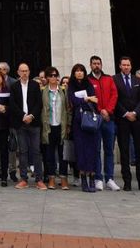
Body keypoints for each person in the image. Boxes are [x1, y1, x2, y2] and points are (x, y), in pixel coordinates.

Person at [106, 57, 140, 192]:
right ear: (120, 66)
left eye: (128, 65)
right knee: (124, 151)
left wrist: (135, 112)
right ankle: (127, 181)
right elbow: (114, 98)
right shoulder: (114, 79)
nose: (126, 67)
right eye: (124, 65)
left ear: (131, 66)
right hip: (122, 120)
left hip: (137, 119)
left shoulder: (137, 80)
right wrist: (126, 113)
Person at [9, 62, 46, 190]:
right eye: (22, 71)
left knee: (36, 151)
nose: (24, 73)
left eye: (26, 71)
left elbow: (39, 104)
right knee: (23, 152)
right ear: (18, 73)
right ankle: (23, 179)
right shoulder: (14, 87)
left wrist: (31, 116)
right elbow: (12, 104)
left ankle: (39, 179)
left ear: (29, 72)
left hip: (34, 123)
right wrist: (23, 116)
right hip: (20, 123)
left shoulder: (35, 85)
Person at [67, 63, 100, 193]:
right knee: (80, 150)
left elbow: (95, 100)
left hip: (90, 121)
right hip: (78, 122)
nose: (79, 73)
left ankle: (92, 177)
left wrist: (86, 99)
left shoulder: (89, 84)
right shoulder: (71, 85)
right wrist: (86, 99)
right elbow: (73, 100)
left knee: (91, 149)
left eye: (81, 71)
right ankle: (83, 179)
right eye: (77, 71)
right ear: (73, 73)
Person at [87, 55, 118, 191]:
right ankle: (98, 178)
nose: (96, 66)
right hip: (96, 119)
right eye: (94, 63)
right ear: (90, 65)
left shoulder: (109, 79)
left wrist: (108, 111)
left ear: (101, 64)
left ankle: (109, 178)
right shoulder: (88, 80)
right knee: (96, 149)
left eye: (98, 63)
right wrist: (100, 111)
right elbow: (89, 99)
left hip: (108, 119)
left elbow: (114, 95)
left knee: (109, 149)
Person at [40, 66, 70, 190]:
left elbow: (68, 108)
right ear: (47, 77)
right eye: (50, 75)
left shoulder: (63, 90)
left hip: (61, 126)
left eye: (55, 75)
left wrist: (68, 124)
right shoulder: (43, 91)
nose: (53, 78)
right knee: (50, 154)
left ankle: (63, 178)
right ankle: (51, 178)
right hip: (49, 127)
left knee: (63, 154)